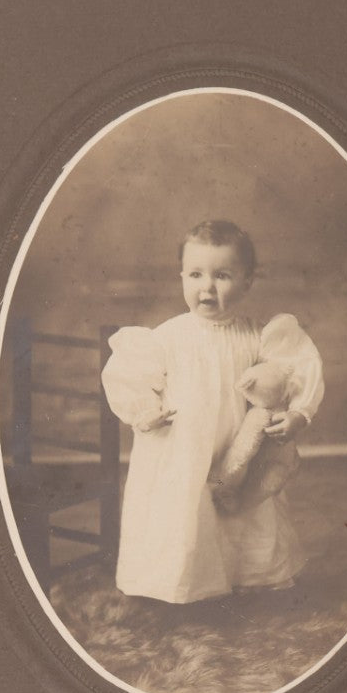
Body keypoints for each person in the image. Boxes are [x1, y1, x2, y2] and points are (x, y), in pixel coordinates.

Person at [100, 219, 324, 604]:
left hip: (237, 446)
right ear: (181, 277)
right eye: (195, 274)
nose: (206, 287)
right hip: (182, 448)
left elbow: (293, 372)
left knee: (241, 511)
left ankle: (246, 580)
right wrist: (145, 411)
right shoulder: (168, 336)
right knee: (184, 512)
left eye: (222, 275)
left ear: (247, 282)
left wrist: (299, 413)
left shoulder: (258, 335)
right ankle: (177, 587)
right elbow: (131, 376)